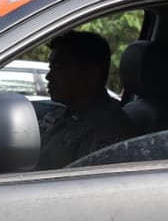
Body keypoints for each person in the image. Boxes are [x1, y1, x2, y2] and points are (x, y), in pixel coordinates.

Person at [38, 30, 137, 169]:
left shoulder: (107, 132)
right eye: (51, 67)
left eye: (59, 67)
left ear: (91, 74)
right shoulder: (67, 114)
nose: (49, 76)